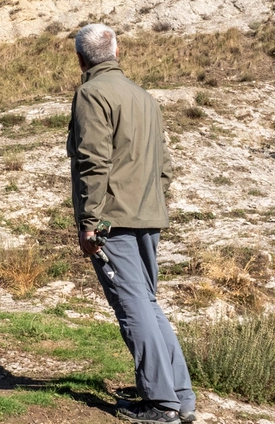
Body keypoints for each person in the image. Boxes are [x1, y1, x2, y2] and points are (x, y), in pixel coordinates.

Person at [67, 24, 197, 424]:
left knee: (132, 306)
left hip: (112, 219)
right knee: (148, 303)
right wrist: (151, 204)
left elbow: (93, 161)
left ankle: (161, 404)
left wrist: (89, 221)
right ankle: (180, 396)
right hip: (147, 215)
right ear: (117, 52)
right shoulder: (145, 98)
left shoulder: (92, 93)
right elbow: (165, 165)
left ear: (80, 59)